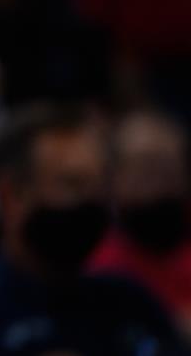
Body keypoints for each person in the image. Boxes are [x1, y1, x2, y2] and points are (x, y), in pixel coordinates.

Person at [0, 104, 182, 356]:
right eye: (72, 184)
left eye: (99, 185)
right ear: (10, 196)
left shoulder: (130, 303)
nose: (90, 201)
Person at [90, 110, 191, 339]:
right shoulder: (95, 262)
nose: (156, 182)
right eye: (144, 169)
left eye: (166, 168)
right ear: (114, 178)